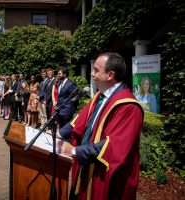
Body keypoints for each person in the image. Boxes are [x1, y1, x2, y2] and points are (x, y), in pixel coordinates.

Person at [58, 53, 144, 200]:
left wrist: (75, 150)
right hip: (88, 165)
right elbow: (80, 120)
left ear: (110, 75)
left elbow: (114, 146)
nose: (92, 73)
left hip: (105, 174)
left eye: (96, 70)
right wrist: (59, 134)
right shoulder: (101, 95)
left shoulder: (129, 106)